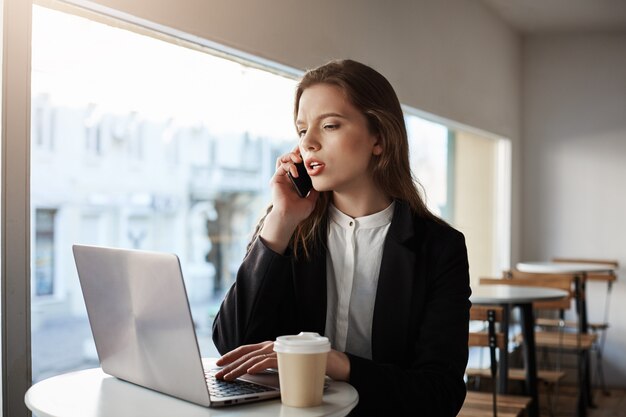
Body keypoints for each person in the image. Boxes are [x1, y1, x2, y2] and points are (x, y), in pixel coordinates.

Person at [212, 59, 471, 416]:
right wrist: (281, 220)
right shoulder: (285, 228)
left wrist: (334, 362)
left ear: (378, 137)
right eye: (302, 131)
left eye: (329, 125)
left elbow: (439, 394)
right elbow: (231, 347)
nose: (309, 144)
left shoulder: (440, 248)